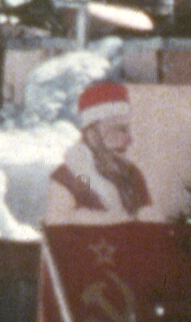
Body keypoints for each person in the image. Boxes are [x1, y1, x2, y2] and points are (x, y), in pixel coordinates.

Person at [45, 74, 161, 220]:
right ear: (92, 135)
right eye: (119, 129)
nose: (129, 141)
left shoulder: (132, 175)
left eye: (128, 130)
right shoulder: (65, 179)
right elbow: (57, 235)